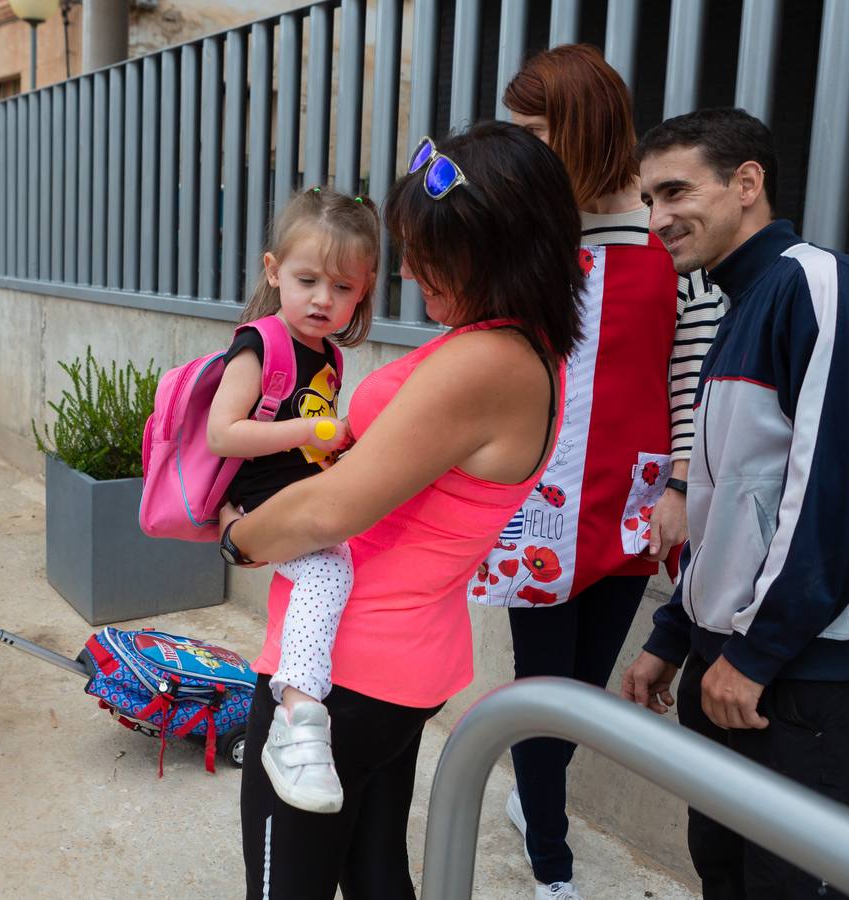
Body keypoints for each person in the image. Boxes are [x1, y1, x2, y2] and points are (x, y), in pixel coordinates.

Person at [223, 122, 582, 899]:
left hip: (345, 667)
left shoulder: (487, 362)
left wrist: (235, 539)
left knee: (287, 883)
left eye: (428, 252)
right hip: (401, 661)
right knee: (376, 868)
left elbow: (328, 513)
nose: (410, 269)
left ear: (496, 251)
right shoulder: (522, 345)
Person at [621, 108, 849, 899]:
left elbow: (843, 495)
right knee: (726, 872)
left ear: (747, 183)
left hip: (794, 673)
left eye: (675, 191)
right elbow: (724, 505)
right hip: (729, 661)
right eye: (648, 199)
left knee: (792, 884)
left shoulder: (816, 285)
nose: (657, 219)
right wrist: (674, 635)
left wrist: (752, 654)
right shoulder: (736, 304)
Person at [482, 44, 726, 900]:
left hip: (632, 502)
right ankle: (552, 863)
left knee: (580, 687)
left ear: (583, 132)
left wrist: (680, 486)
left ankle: (529, 800)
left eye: (537, 136)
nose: (523, 156)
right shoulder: (526, 233)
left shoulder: (666, 238)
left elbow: (689, 375)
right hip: (537, 499)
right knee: (543, 684)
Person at [205, 185, 378, 814]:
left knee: (335, 573)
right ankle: (299, 712)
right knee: (328, 571)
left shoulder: (326, 354)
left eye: (343, 288)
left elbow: (312, 441)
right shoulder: (261, 343)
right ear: (275, 271)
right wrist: (313, 431)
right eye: (308, 280)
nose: (323, 300)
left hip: (302, 493)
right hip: (263, 504)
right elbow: (224, 431)